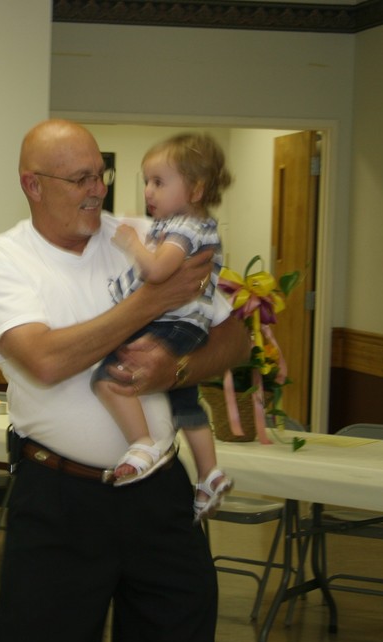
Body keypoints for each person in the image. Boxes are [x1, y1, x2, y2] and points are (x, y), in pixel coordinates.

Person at [0, 119, 248, 642]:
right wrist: (148, 302)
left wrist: (176, 367)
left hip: (159, 493)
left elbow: (234, 337)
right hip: (60, 499)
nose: (98, 189)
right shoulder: (0, 262)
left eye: (101, 174)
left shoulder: (147, 236)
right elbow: (47, 360)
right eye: (79, 179)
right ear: (33, 185)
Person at [93, 133, 234, 523]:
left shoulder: (184, 230)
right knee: (186, 404)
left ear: (196, 188)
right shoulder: (192, 226)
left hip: (173, 325)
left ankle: (142, 445)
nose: (148, 192)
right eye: (146, 181)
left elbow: (156, 272)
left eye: (158, 182)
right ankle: (210, 474)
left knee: (108, 380)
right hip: (189, 326)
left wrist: (133, 244)